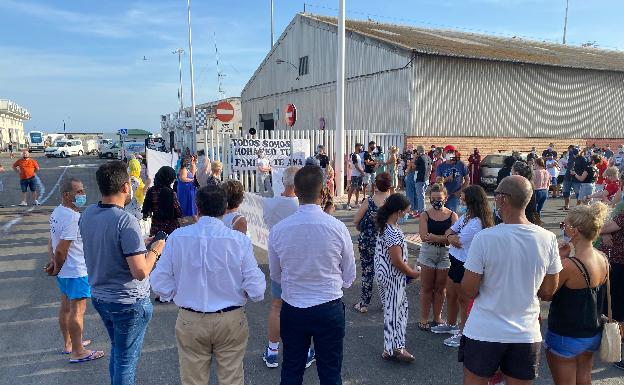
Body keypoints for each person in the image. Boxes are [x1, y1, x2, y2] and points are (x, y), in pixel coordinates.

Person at [151, 185, 265, 385]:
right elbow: (256, 289)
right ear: (225, 208)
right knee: (231, 378)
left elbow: (159, 282)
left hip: (191, 318)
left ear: (197, 208)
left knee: (192, 379)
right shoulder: (238, 240)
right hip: (230, 318)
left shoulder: (178, 237)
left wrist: (177, 291)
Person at [460, 175, 562, 385]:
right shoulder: (548, 238)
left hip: (484, 330)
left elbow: (469, 289)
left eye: (496, 194)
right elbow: (548, 291)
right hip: (525, 332)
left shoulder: (485, 238)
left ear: (503, 200)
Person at [80, 161, 166, 385]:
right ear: (126, 187)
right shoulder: (126, 220)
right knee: (126, 360)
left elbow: (108, 244)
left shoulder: (88, 213)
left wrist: (140, 243)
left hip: (100, 296)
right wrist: (155, 250)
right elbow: (140, 271)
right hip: (128, 301)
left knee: (119, 353)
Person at [268, 165, 356, 385]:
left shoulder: (280, 229)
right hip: (329, 306)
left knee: (291, 370)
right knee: (330, 373)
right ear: (324, 190)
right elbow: (349, 273)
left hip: (294, 307)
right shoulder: (337, 227)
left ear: (295, 191)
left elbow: (276, 274)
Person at [543, 203, 609, 385]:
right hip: (592, 332)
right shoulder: (602, 257)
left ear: (575, 232)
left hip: (566, 334)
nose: (564, 229)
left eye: (565, 226)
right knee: (584, 376)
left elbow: (546, 293)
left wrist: (556, 259)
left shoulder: (568, 266)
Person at [261, 166, 316, 369]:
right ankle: (306, 351)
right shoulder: (302, 206)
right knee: (302, 306)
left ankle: (273, 351)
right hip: (302, 260)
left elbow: (267, 223)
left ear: (283, 181)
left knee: (277, 306)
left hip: (279, 257)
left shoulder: (269, 203)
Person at [45, 178, 104, 363]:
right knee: (77, 311)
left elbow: (51, 241)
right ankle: (78, 351)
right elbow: (62, 248)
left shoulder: (57, 212)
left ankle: (69, 343)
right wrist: (56, 266)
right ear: (66, 195)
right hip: (75, 270)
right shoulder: (72, 218)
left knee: (66, 308)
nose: (82, 195)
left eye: (82, 190)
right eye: (78, 192)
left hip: (65, 271)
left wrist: (54, 264)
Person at [433, 185, 494, 348]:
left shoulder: (477, 223)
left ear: (471, 200)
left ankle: (463, 333)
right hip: (455, 260)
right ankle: (451, 324)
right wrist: (451, 236)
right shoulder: (467, 216)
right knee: (451, 294)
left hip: (466, 264)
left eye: (463, 198)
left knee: (463, 299)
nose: (460, 199)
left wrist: (451, 237)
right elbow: (450, 231)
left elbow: (458, 241)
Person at [374, 193, 421, 361]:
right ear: (399, 211)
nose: (407, 214)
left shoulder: (385, 227)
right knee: (396, 313)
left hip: (385, 275)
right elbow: (397, 261)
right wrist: (413, 273)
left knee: (394, 310)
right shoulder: (392, 231)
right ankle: (396, 347)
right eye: (406, 211)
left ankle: (390, 347)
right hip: (393, 277)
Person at [417, 182, 457, 331]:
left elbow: (454, 239)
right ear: (429, 198)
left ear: (445, 198)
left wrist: (434, 237)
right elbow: (423, 237)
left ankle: (437, 317)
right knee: (426, 287)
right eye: (433, 198)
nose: (436, 201)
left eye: (439, 198)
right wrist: (444, 237)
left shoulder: (453, 215)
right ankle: (423, 318)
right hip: (428, 252)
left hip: (445, 254)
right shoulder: (425, 215)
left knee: (441, 288)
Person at [353, 173, 392, 313]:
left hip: (367, 241)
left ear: (375, 184)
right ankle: (386, 302)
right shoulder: (391, 203)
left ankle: (364, 303)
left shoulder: (368, 201)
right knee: (386, 272)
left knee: (367, 272)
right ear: (390, 185)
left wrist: (362, 228)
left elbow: (356, 221)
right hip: (386, 242)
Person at [598, 198, 624, 370]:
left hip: (620, 263)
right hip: (618, 262)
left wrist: (604, 231)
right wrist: (606, 232)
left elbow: (598, 227)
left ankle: (617, 347)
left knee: (618, 305)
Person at [142, 166, 182, 236]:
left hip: (156, 229)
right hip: (170, 230)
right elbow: (179, 213)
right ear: (169, 179)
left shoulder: (151, 191)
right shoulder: (171, 193)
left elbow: (147, 210)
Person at [435, 145, 469, 212]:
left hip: (455, 196)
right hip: (443, 195)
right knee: (442, 215)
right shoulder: (441, 166)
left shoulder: (461, 164)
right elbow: (438, 182)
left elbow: (467, 180)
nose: (449, 154)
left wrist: (460, 191)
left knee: (452, 215)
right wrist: (446, 179)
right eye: (448, 152)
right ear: (444, 153)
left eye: (452, 152)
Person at [125, 159, 149, 236]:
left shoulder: (128, 178)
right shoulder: (135, 180)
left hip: (128, 208)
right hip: (135, 209)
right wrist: (147, 185)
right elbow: (140, 193)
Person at [414, 145, 431, 217]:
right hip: (426, 178)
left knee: (420, 196)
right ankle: (421, 209)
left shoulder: (419, 158)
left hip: (420, 179)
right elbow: (430, 168)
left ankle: (421, 211)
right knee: (422, 195)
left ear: (418, 150)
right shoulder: (428, 157)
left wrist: (415, 157)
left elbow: (414, 165)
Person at [347, 143, 364, 210]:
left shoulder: (358, 155)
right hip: (355, 175)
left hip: (359, 175)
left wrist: (362, 172)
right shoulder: (354, 156)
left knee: (358, 189)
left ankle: (356, 203)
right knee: (352, 189)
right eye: (360, 147)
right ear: (357, 147)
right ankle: (348, 203)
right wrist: (362, 172)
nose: (361, 149)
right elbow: (356, 166)